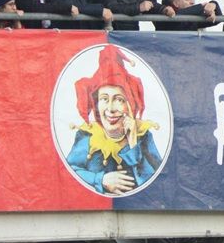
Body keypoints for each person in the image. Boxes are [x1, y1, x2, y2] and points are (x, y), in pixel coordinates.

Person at [67, 45, 162, 195]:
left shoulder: (144, 137)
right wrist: (100, 179)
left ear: (130, 105)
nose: (110, 108)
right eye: (104, 99)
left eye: (119, 99)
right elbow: (67, 172)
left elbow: (157, 183)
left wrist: (133, 144)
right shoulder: (87, 136)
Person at [155, 0, 221, 32]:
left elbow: (218, 19)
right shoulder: (163, 14)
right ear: (176, 3)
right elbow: (176, 15)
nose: (192, 2)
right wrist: (201, 6)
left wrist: (213, 4)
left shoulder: (192, 14)